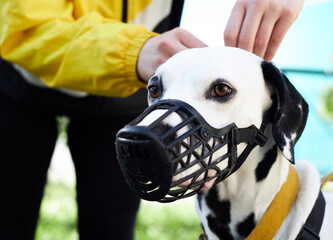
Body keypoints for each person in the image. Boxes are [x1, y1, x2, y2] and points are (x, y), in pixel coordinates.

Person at [0, 0, 303, 239]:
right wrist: (133, 50)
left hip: (129, 89)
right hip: (22, 83)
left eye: (221, 91)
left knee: (111, 229)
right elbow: (23, 25)